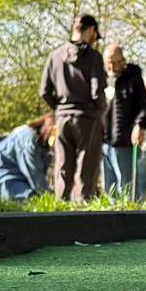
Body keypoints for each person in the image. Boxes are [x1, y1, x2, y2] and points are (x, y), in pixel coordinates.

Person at [37, 13, 106, 202]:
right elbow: (96, 93)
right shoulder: (94, 57)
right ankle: (84, 209)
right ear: (92, 31)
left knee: (63, 165)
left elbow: (44, 91)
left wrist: (59, 109)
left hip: (63, 118)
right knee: (87, 167)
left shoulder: (55, 56)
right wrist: (101, 111)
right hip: (88, 118)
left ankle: (61, 207)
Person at [101, 45, 146, 202]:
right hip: (103, 141)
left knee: (127, 185)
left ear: (123, 61)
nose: (112, 67)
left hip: (123, 140)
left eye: (115, 62)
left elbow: (145, 107)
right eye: (108, 62)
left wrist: (139, 125)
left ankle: (133, 217)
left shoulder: (133, 78)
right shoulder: (102, 79)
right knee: (109, 187)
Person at [0, 113, 54, 200]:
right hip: (1, 178)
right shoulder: (29, 139)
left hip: (17, 178)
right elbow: (34, 173)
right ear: (48, 129)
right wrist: (50, 197)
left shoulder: (44, 145)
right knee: (32, 198)